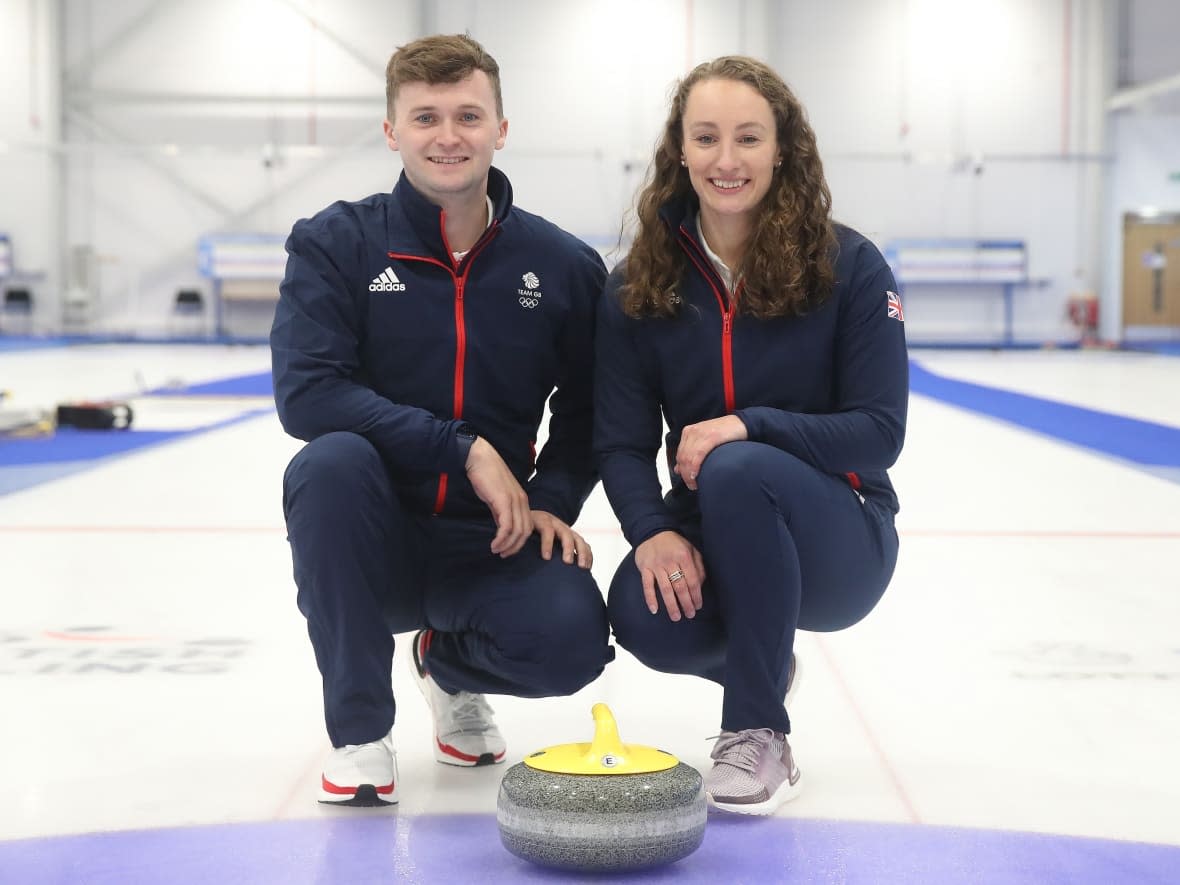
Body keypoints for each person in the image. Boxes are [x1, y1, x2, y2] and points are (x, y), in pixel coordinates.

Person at [271, 34, 613, 807]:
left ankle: (446, 666)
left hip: (493, 538)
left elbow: (592, 408)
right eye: (425, 117)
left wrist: (553, 500)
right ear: (393, 131)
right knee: (327, 464)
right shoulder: (336, 244)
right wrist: (459, 448)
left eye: (468, 115)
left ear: (501, 127)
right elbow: (308, 393)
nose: (448, 136)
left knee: (571, 641)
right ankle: (360, 733)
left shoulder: (560, 266)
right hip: (372, 537)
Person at [594, 56, 907, 816]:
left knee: (736, 465)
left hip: (842, 534)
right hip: (715, 524)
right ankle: (765, 661)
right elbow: (620, 441)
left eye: (748, 138)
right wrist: (651, 532)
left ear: (782, 149)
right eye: (706, 138)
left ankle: (757, 727)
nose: (726, 160)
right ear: (680, 152)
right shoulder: (641, 284)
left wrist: (751, 425)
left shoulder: (850, 266)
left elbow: (878, 432)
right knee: (641, 614)